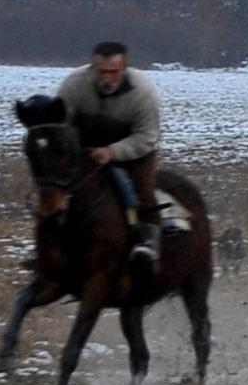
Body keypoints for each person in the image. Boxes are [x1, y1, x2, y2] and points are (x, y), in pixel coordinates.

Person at [56, 41, 166, 268]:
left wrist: (112, 152)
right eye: (102, 71)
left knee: (142, 193)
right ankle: (50, 247)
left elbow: (146, 136)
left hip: (133, 149)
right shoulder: (73, 85)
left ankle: (148, 242)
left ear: (124, 69)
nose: (107, 78)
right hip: (86, 146)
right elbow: (59, 124)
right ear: (93, 68)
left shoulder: (143, 93)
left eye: (114, 72)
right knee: (56, 190)